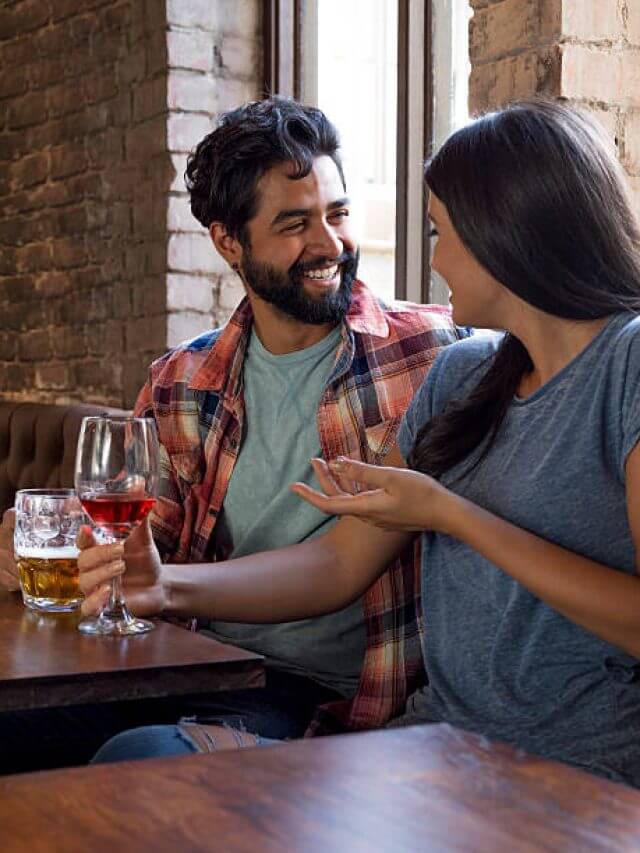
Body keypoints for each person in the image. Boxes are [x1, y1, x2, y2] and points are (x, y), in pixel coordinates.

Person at [84, 98, 640, 786]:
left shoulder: (623, 365)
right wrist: (163, 584)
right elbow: (341, 563)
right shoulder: (463, 375)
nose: (433, 259)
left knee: (139, 770)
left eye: (441, 232)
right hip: (431, 746)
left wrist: (449, 512)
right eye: (294, 221)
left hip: (580, 764)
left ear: (507, 231)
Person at [0, 97, 463, 746]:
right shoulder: (181, 380)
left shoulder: (432, 354)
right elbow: (134, 549)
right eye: (295, 223)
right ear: (227, 241)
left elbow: (334, 565)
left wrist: (163, 588)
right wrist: (54, 555)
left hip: (330, 695)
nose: (328, 243)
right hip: (186, 666)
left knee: (147, 757)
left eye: (338, 214)